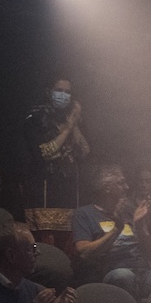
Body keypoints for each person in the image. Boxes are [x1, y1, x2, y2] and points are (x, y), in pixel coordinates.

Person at [72, 164, 151, 296]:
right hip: (112, 271)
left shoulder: (132, 212)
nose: (127, 187)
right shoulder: (85, 214)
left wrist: (140, 226)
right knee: (123, 276)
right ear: (106, 188)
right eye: (121, 183)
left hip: (141, 270)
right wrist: (116, 229)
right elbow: (84, 253)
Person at [23, 77, 89, 209]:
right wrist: (67, 129)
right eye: (59, 90)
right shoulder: (36, 118)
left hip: (69, 190)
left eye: (67, 92)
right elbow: (44, 153)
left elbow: (84, 151)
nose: (63, 95)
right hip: (43, 188)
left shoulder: (71, 120)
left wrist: (74, 123)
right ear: (49, 92)